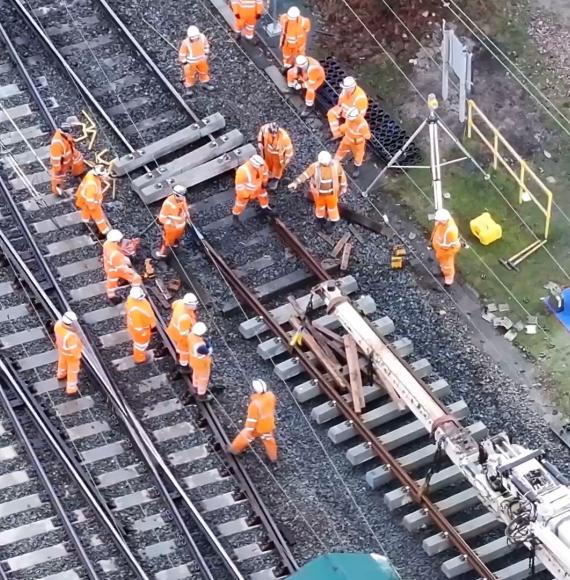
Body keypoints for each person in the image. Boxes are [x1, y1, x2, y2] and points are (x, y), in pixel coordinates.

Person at [288, 151, 347, 225]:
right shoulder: (314, 167)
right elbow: (306, 174)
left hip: (332, 194)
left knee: (332, 208)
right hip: (319, 194)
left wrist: (343, 186)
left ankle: (333, 221)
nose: (326, 165)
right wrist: (296, 182)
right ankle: (320, 219)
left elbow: (342, 176)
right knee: (320, 207)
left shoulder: (336, 166)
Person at [229, 379, 277, 462]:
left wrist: (249, 430)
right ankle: (273, 457)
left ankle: (234, 450)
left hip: (257, 427)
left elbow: (251, 420)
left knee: (245, 436)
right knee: (269, 440)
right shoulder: (271, 396)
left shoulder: (254, 404)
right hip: (268, 425)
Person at [102, 229, 142, 302]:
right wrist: (131, 270)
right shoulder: (115, 255)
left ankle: (112, 297)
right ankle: (135, 295)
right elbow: (122, 269)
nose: (121, 241)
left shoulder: (107, 243)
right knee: (137, 278)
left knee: (111, 283)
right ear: (116, 241)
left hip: (109, 267)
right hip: (116, 270)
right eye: (120, 240)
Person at [327, 76, 368, 140]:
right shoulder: (345, 90)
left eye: (346, 88)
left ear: (352, 87)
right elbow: (341, 99)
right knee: (330, 114)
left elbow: (360, 116)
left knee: (344, 128)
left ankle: (343, 134)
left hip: (352, 118)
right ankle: (336, 134)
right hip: (343, 111)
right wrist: (339, 107)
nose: (344, 89)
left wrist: (349, 122)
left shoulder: (360, 98)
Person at [50, 120, 85, 195]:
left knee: (79, 159)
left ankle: (78, 174)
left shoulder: (65, 135)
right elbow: (55, 159)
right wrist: (58, 170)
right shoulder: (57, 143)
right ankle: (57, 191)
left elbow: (69, 142)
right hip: (63, 163)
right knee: (58, 179)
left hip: (70, 154)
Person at [75, 164, 111, 237]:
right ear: (98, 175)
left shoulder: (91, 173)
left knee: (85, 212)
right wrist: (95, 206)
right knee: (99, 217)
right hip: (91, 203)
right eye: (103, 175)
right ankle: (104, 231)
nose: (105, 177)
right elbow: (90, 200)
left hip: (83, 198)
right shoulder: (92, 185)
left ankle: (84, 224)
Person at [334, 108, 371, 178]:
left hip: (357, 144)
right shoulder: (349, 118)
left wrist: (358, 140)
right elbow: (347, 126)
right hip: (347, 139)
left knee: (358, 157)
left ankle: (356, 168)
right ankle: (335, 163)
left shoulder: (363, 125)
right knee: (340, 150)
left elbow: (367, 136)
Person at [232, 154, 269, 224]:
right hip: (247, 192)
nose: (261, 167)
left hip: (259, 187)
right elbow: (239, 186)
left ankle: (265, 208)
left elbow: (265, 173)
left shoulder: (262, 164)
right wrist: (246, 195)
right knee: (240, 204)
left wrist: (264, 183)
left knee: (264, 196)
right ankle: (235, 215)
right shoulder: (242, 171)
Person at [167, 293, 199, 371]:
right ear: (188, 305)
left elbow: (173, 305)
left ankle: (178, 350)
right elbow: (184, 334)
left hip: (172, 329)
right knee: (184, 350)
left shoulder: (180, 302)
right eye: (194, 305)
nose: (195, 306)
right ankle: (183, 365)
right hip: (180, 335)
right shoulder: (184, 318)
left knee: (179, 345)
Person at [257, 122, 294, 189]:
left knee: (277, 168)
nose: (274, 135)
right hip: (267, 153)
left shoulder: (284, 138)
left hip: (278, 156)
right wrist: (259, 142)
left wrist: (287, 159)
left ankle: (275, 179)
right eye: (272, 133)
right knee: (267, 164)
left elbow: (289, 149)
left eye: (275, 133)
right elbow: (261, 131)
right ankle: (267, 174)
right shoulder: (265, 129)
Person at [156, 185, 189, 258]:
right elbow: (162, 218)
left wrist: (187, 213)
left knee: (178, 238)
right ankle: (163, 254)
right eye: (182, 195)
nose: (184, 197)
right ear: (177, 195)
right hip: (171, 228)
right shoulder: (168, 204)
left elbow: (184, 206)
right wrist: (172, 221)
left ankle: (175, 244)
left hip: (180, 226)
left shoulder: (182, 198)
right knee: (167, 242)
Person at [125, 286, 157, 364]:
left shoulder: (131, 299)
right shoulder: (136, 311)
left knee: (139, 343)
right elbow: (138, 327)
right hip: (141, 330)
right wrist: (143, 333)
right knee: (141, 345)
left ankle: (138, 351)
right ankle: (139, 358)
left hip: (139, 326)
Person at [54, 311, 83, 396]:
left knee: (62, 362)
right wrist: (78, 356)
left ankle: (61, 374)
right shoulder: (70, 335)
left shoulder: (58, 324)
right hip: (71, 355)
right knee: (73, 370)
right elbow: (74, 348)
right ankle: (71, 389)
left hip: (61, 349)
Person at [178, 26, 213, 95]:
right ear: (189, 37)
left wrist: (206, 54)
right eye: (192, 37)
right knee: (189, 75)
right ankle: (189, 88)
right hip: (190, 63)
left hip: (202, 60)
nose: (195, 38)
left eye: (196, 36)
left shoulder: (202, 37)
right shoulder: (185, 43)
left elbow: (206, 46)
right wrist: (185, 63)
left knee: (204, 72)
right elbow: (182, 54)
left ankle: (205, 84)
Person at [431, 208, 461, 286]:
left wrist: (444, 252)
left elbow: (454, 245)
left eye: (439, 220)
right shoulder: (442, 223)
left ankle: (448, 281)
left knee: (447, 266)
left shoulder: (451, 231)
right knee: (443, 265)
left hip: (446, 252)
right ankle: (443, 271)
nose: (437, 222)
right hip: (440, 249)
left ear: (444, 220)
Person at [188, 322, 213, 400]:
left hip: (193, 360)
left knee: (196, 373)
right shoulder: (200, 346)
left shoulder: (191, 335)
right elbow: (208, 352)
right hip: (202, 364)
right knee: (203, 378)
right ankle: (201, 394)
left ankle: (195, 385)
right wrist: (209, 345)